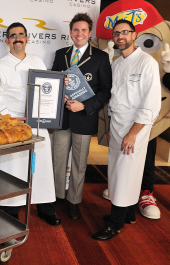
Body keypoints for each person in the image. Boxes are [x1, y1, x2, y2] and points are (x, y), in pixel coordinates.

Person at [92, 19, 161, 240]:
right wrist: (112, 125)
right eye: (116, 33)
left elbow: (151, 103)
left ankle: (115, 223)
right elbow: (114, 98)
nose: (120, 36)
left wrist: (133, 133)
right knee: (116, 171)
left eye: (125, 32)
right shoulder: (116, 63)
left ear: (134, 35)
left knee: (125, 173)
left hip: (136, 126)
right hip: (118, 124)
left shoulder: (147, 62)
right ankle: (128, 213)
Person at [0, 22, 59, 226]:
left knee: (42, 168)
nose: (17, 38)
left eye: (21, 35)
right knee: (13, 170)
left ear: (27, 39)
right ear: (7, 40)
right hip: (13, 125)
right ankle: (10, 212)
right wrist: (11, 119)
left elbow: (48, 90)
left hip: (38, 121)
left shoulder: (37, 61)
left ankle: (46, 208)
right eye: (13, 35)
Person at [51, 13, 112, 220]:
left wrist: (84, 106)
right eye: (76, 30)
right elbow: (52, 84)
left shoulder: (101, 57)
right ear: (70, 32)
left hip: (84, 118)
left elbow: (105, 90)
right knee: (57, 160)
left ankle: (74, 201)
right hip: (62, 119)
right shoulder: (61, 54)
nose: (79, 34)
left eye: (83, 30)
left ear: (90, 33)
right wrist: (61, 84)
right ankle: (57, 197)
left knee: (79, 163)